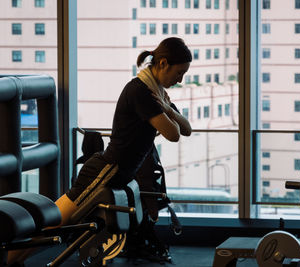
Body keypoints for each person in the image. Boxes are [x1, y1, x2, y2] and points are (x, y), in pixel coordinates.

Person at [8, 37, 192, 266]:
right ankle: (8, 261)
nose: (180, 80)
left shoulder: (156, 94)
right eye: (179, 73)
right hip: (104, 171)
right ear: (163, 63)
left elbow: (186, 129)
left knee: (56, 222)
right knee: (55, 221)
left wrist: (167, 108)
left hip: (114, 171)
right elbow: (172, 134)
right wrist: (166, 109)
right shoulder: (141, 92)